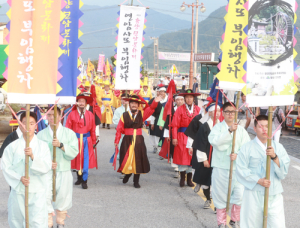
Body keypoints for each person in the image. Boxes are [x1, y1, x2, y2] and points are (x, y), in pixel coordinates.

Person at [236, 115, 290, 228]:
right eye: (261, 126)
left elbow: (283, 172)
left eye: (267, 126)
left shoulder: (278, 147)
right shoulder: (246, 147)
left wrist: (275, 157)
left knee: (277, 224)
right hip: (253, 194)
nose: (264, 129)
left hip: (273, 194)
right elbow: (240, 170)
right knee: (251, 225)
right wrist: (258, 180)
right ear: (255, 128)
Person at [1, 112, 52, 228]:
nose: (28, 126)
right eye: (24, 123)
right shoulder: (12, 147)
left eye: (31, 123)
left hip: (37, 192)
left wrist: (33, 157)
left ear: (36, 126)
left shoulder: (43, 146)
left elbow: (46, 166)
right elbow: (6, 167)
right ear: (20, 125)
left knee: (37, 223)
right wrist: (19, 178)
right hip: (18, 192)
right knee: (17, 222)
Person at [208, 102, 251, 228]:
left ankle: (234, 219)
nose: (230, 114)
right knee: (220, 195)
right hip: (221, 167)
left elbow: (247, 148)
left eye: (233, 112)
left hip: (237, 168)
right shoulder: (217, 128)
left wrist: (238, 155)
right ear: (223, 113)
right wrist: (229, 131)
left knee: (239, 194)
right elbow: (215, 142)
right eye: (228, 111)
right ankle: (221, 222)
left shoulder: (242, 131)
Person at [38, 107, 79, 228]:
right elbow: (37, 154)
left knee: (63, 196)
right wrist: (46, 162)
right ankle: (48, 223)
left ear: (61, 116)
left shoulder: (69, 133)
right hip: (46, 172)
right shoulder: (41, 135)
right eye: (49, 115)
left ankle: (60, 222)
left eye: (55, 115)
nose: (52, 117)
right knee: (45, 196)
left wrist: (61, 145)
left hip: (63, 170)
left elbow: (74, 151)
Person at [114, 94, 162, 188]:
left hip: (139, 140)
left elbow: (151, 109)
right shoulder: (124, 115)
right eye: (132, 103)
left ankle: (136, 181)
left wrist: (155, 101)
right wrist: (116, 140)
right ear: (129, 104)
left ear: (138, 105)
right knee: (126, 159)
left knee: (138, 159)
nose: (134, 105)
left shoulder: (142, 114)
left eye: (136, 103)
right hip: (127, 140)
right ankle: (127, 174)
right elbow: (119, 129)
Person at [192, 103, 221, 209]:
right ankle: (208, 199)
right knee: (205, 181)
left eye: (219, 111)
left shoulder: (221, 126)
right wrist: (204, 159)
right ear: (210, 112)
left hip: (218, 157)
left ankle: (218, 205)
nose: (217, 114)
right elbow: (200, 144)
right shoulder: (204, 126)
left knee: (217, 181)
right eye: (215, 111)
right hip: (207, 156)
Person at [66, 94, 97, 189]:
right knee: (77, 159)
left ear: (86, 103)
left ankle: (84, 180)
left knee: (85, 160)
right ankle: (79, 178)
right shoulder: (72, 114)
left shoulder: (90, 115)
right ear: (77, 103)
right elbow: (68, 128)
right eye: (79, 101)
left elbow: (92, 129)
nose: (81, 103)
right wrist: (68, 141)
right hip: (75, 139)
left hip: (86, 140)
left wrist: (93, 140)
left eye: (83, 101)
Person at [172, 89, 200, 187]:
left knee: (191, 158)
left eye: (191, 97)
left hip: (194, 137)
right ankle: (182, 178)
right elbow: (174, 124)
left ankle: (189, 179)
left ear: (193, 99)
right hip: (182, 136)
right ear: (184, 99)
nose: (189, 99)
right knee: (182, 157)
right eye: (187, 97)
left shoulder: (198, 109)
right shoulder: (180, 109)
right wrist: (174, 137)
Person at [161, 93, 185, 177]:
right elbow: (168, 122)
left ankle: (183, 166)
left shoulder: (186, 110)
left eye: (181, 100)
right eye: (178, 100)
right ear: (175, 101)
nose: (180, 101)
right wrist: (167, 135)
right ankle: (176, 167)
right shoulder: (171, 110)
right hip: (173, 132)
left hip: (183, 133)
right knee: (173, 149)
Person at [148, 84, 168, 154]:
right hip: (156, 119)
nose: (162, 93)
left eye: (163, 91)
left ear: (165, 92)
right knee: (155, 135)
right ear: (158, 92)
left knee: (164, 135)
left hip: (166, 120)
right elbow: (152, 111)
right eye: (160, 91)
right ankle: (156, 147)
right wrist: (152, 123)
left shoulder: (168, 100)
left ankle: (163, 150)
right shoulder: (155, 100)